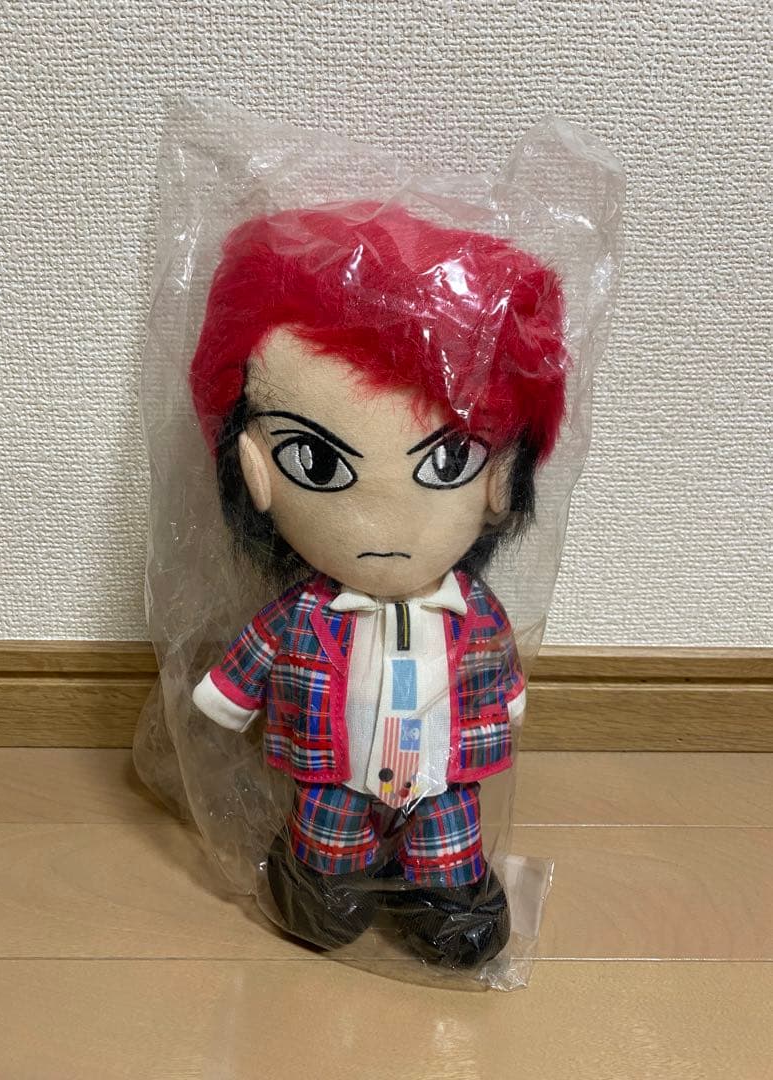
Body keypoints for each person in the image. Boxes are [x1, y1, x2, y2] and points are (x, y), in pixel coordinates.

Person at [189, 201, 566, 968]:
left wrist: (508, 698)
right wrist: (224, 701)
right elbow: (247, 665)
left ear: (501, 477)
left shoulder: (472, 614)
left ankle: (448, 898)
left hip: (441, 780)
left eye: (448, 461)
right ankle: (324, 887)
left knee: (449, 842)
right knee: (324, 846)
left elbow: (495, 668)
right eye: (317, 463)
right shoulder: (301, 615)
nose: (385, 521)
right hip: (334, 779)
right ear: (255, 469)